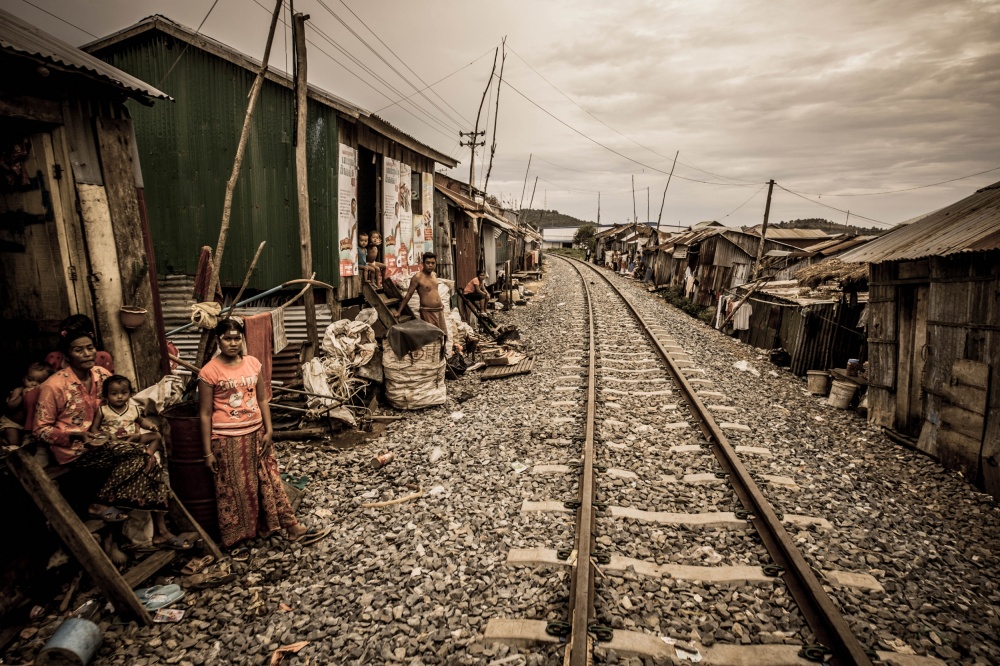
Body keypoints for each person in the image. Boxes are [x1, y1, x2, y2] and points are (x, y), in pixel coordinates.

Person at [33, 327, 183, 547]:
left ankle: (160, 531)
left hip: (111, 444)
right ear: (67, 356)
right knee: (142, 456)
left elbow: (123, 407)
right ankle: (99, 503)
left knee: (150, 460)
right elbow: (41, 429)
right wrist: (78, 435)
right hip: (77, 452)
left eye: (89, 348)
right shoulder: (54, 386)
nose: (86, 354)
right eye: (78, 350)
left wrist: (134, 427)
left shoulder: (102, 375)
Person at [199, 319, 325, 548]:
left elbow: (262, 399)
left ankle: (290, 526)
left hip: (256, 433)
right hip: (226, 439)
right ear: (218, 340)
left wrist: (269, 429)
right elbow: (205, 413)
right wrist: (207, 452)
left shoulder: (253, 364)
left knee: (269, 480)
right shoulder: (209, 371)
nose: (233, 343)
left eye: (237, 338)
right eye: (228, 338)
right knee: (233, 489)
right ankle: (238, 538)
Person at [3, 362, 52, 447]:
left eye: (39, 382)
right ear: (24, 378)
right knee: (14, 442)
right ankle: (3, 441)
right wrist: (22, 395)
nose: (33, 384)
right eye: (30, 380)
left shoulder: (44, 394)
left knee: (30, 444)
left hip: (27, 426)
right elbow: (10, 406)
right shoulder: (18, 390)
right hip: (12, 422)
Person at [396, 253, 446, 333]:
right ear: (423, 264)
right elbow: (408, 295)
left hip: (439, 310)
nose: (430, 265)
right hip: (427, 312)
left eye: (433, 263)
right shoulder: (417, 277)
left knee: (442, 336)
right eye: (428, 263)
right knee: (431, 336)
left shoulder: (434, 275)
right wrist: (399, 311)